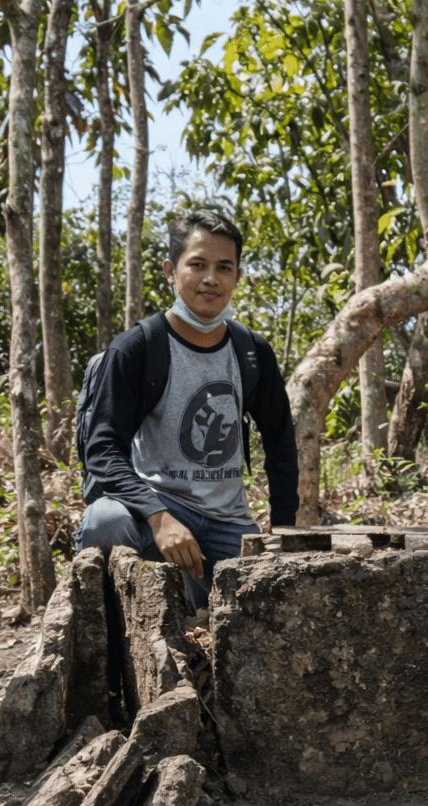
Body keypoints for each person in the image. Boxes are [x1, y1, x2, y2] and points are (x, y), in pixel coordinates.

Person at [76, 211, 298, 607]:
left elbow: (280, 443)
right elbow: (102, 449)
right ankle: (105, 647)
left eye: (224, 267)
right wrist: (158, 518)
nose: (211, 278)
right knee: (105, 520)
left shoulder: (251, 352)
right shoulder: (137, 348)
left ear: (237, 276)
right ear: (170, 270)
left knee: (266, 609)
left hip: (228, 524)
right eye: (197, 264)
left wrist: (283, 531)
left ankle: (191, 607)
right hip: (156, 510)